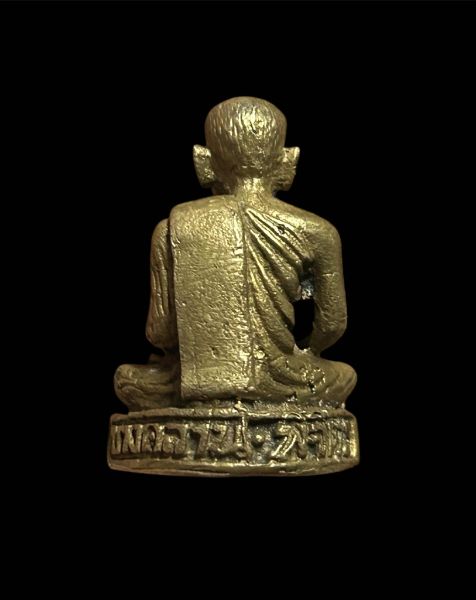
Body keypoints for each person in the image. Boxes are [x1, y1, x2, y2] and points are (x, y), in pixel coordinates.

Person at [115, 97, 356, 412]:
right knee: (344, 376)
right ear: (289, 160)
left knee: (128, 380)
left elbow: (160, 332)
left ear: (202, 161)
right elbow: (332, 324)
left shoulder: (170, 228)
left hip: (191, 383)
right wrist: (306, 351)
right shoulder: (317, 230)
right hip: (282, 380)